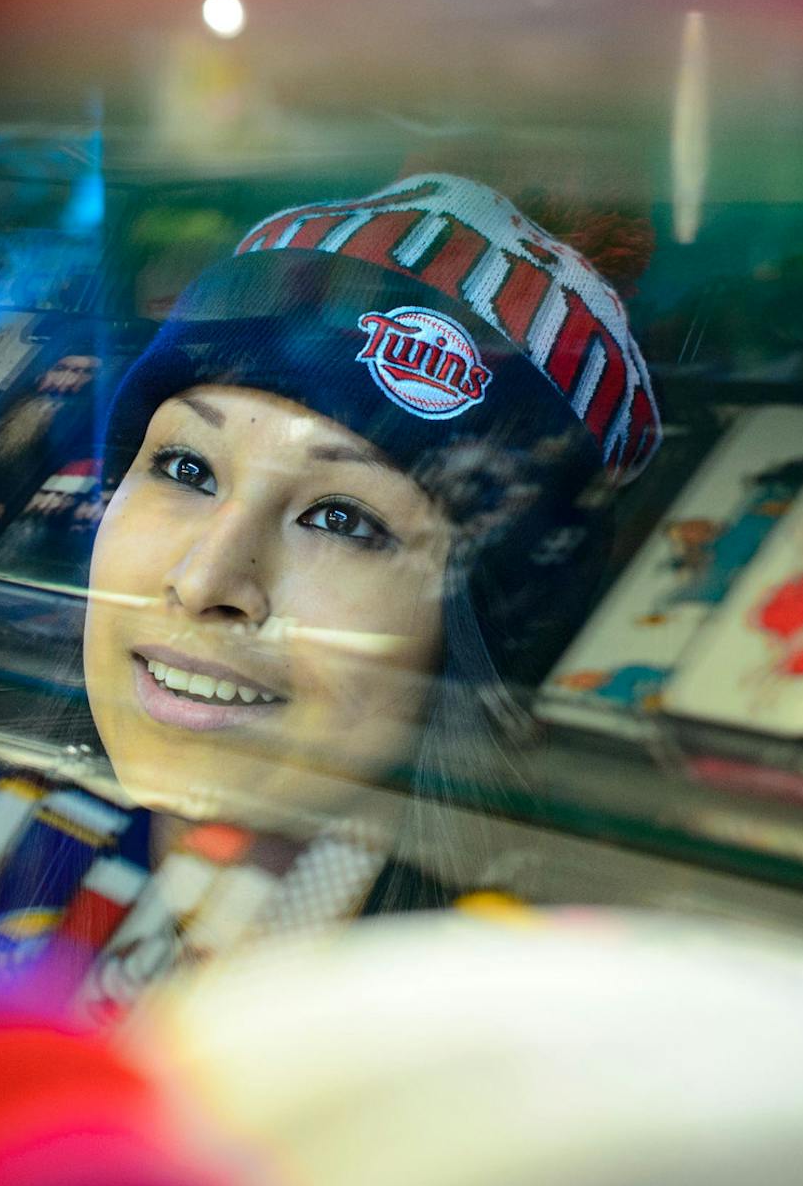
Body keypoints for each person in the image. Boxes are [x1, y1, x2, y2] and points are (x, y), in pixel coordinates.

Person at [84, 170, 661, 888]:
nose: (206, 580)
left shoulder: (519, 990)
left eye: (341, 519)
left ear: (480, 632)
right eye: (186, 468)